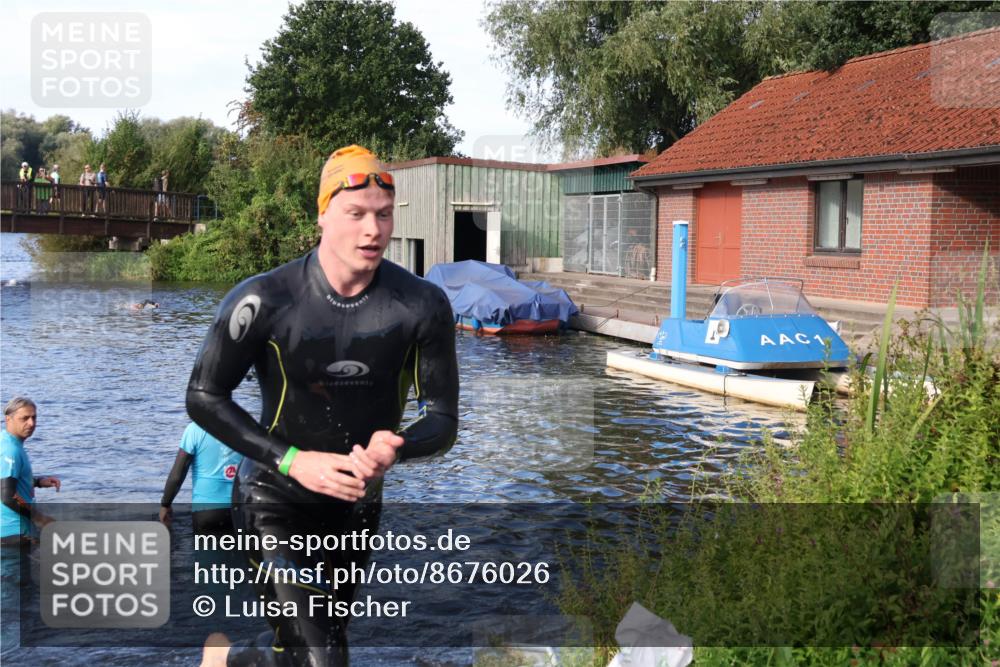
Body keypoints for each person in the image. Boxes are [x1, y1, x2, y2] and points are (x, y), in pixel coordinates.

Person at [188, 145, 459, 667]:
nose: (372, 230)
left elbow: (443, 419)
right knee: (325, 658)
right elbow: (203, 396)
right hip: (273, 495)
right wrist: (292, 460)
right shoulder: (263, 300)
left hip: (355, 506)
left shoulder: (421, 305)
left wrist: (397, 448)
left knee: (309, 650)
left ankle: (226, 661)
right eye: (356, 214)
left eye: (384, 215)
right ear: (322, 215)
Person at [159, 422, 242, 534]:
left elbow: (177, 476)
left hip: (206, 512)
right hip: (240, 511)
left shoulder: (195, 429)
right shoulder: (245, 428)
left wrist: (165, 505)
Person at [1, 398, 60, 546]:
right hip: (13, 534)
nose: (31, 423)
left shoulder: (6, 442)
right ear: (8, 419)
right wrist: (40, 519)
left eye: (34, 417)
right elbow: (8, 496)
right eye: (25, 418)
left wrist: (38, 482)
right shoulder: (10, 450)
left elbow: (7, 479)